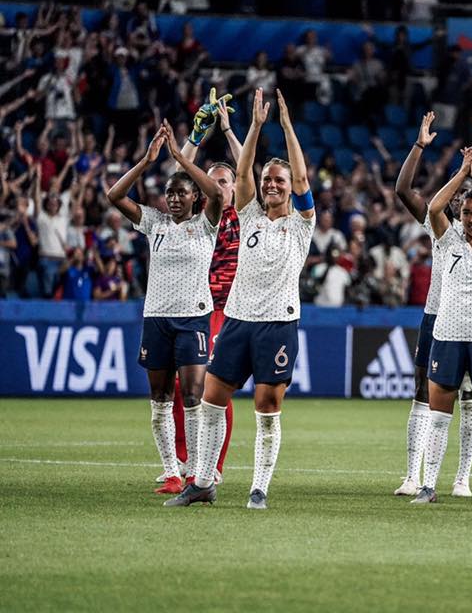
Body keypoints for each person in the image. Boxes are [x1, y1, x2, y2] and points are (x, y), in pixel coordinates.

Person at [165, 88, 315, 510]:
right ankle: (204, 481)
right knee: (212, 400)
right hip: (236, 320)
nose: (271, 184)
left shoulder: (304, 223)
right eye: (268, 179)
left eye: (279, 181)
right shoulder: (247, 212)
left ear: (290, 189)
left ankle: (259, 488)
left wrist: (285, 127)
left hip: (278, 325)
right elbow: (244, 169)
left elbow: (301, 177)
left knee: (267, 408)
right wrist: (253, 127)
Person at [393, 111, 472, 499]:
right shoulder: (444, 231)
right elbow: (415, 197)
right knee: (425, 396)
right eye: (467, 212)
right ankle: (416, 477)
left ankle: (463, 478)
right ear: (458, 215)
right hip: (440, 319)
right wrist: (435, 156)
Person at [106, 122, 223, 496]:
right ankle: (172, 472)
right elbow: (114, 195)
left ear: (194, 199)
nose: (172, 199)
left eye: (180, 194)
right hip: (156, 317)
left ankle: (194, 473)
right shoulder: (153, 223)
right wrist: (145, 161)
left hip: (193, 318)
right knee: (160, 398)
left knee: (192, 395)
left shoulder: (207, 225)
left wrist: (182, 160)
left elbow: (216, 193)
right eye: (169, 193)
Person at [162, 90, 243, 486]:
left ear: (235, 186)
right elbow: (179, 177)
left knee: (212, 387)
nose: (216, 187)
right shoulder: (196, 219)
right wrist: (194, 137)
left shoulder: (245, 215)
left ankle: (211, 466)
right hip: (191, 307)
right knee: (183, 388)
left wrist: (226, 131)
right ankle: (184, 466)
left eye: (224, 182)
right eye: (209, 182)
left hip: (227, 310)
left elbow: (245, 168)